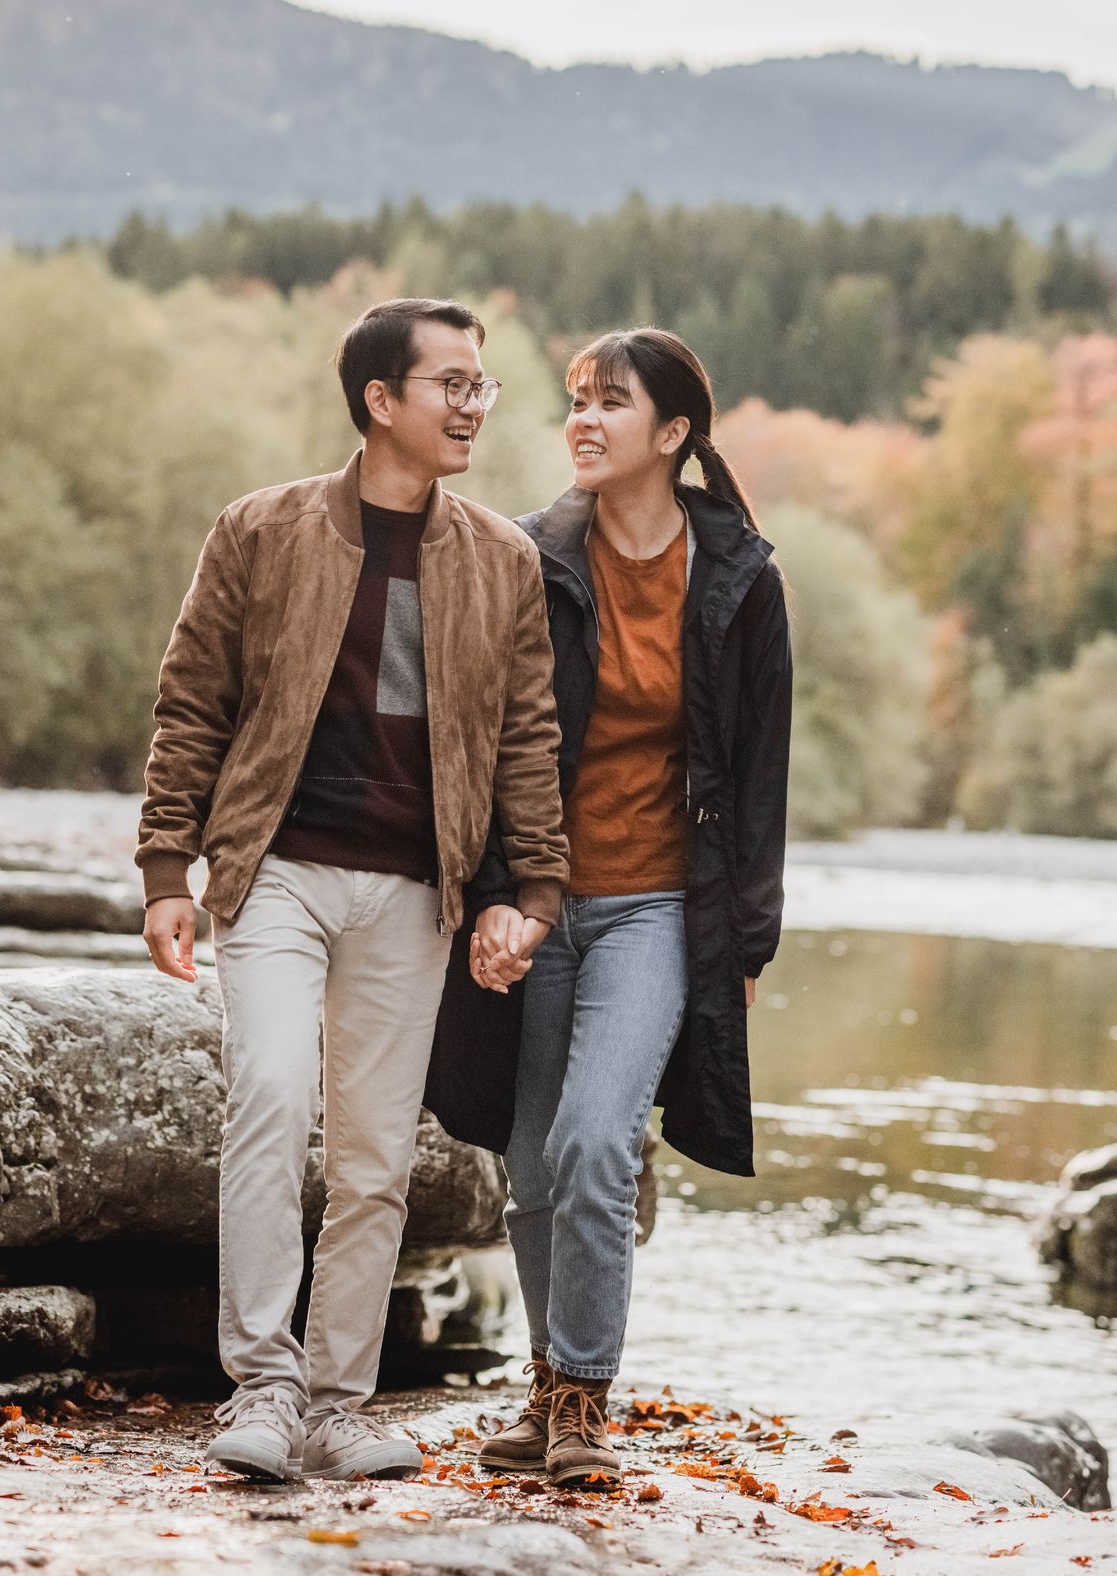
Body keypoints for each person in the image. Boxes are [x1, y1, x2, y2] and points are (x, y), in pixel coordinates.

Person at [137, 298, 568, 1484]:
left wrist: (531, 885)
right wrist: (167, 866)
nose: (476, 404)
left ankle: (336, 1402)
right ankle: (263, 1386)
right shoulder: (259, 530)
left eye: (482, 385)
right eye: (454, 384)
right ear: (382, 401)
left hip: (411, 892)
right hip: (273, 870)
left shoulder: (503, 559)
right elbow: (191, 706)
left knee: (376, 1155)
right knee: (270, 1099)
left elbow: (528, 737)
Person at [426, 327, 792, 1489]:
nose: (582, 420)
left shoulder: (742, 579)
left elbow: (761, 776)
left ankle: (585, 1398)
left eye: (611, 403)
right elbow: (487, 746)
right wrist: (490, 900)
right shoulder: (530, 556)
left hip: (654, 913)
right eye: (576, 400)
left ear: (673, 433)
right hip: (537, 906)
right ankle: (547, 1397)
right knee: (533, 1160)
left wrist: (746, 940)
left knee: (593, 1137)